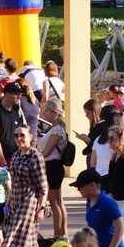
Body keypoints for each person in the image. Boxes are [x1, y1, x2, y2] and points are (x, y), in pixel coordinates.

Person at [0, 125, 47, 247]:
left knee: (14, 236)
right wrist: (7, 204)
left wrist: (41, 208)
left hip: (29, 199)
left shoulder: (35, 156)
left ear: (30, 137)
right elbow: (14, 182)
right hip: (15, 198)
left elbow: (43, 186)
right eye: (16, 135)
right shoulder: (15, 155)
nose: (19, 138)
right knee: (31, 240)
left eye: (22, 135)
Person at [38, 98, 69, 239]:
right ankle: (63, 233)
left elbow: (46, 152)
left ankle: (58, 234)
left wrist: (34, 156)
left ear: (54, 112)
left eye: (47, 111)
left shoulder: (57, 130)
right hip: (54, 166)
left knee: (54, 202)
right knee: (58, 201)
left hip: (52, 166)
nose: (44, 114)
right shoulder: (55, 129)